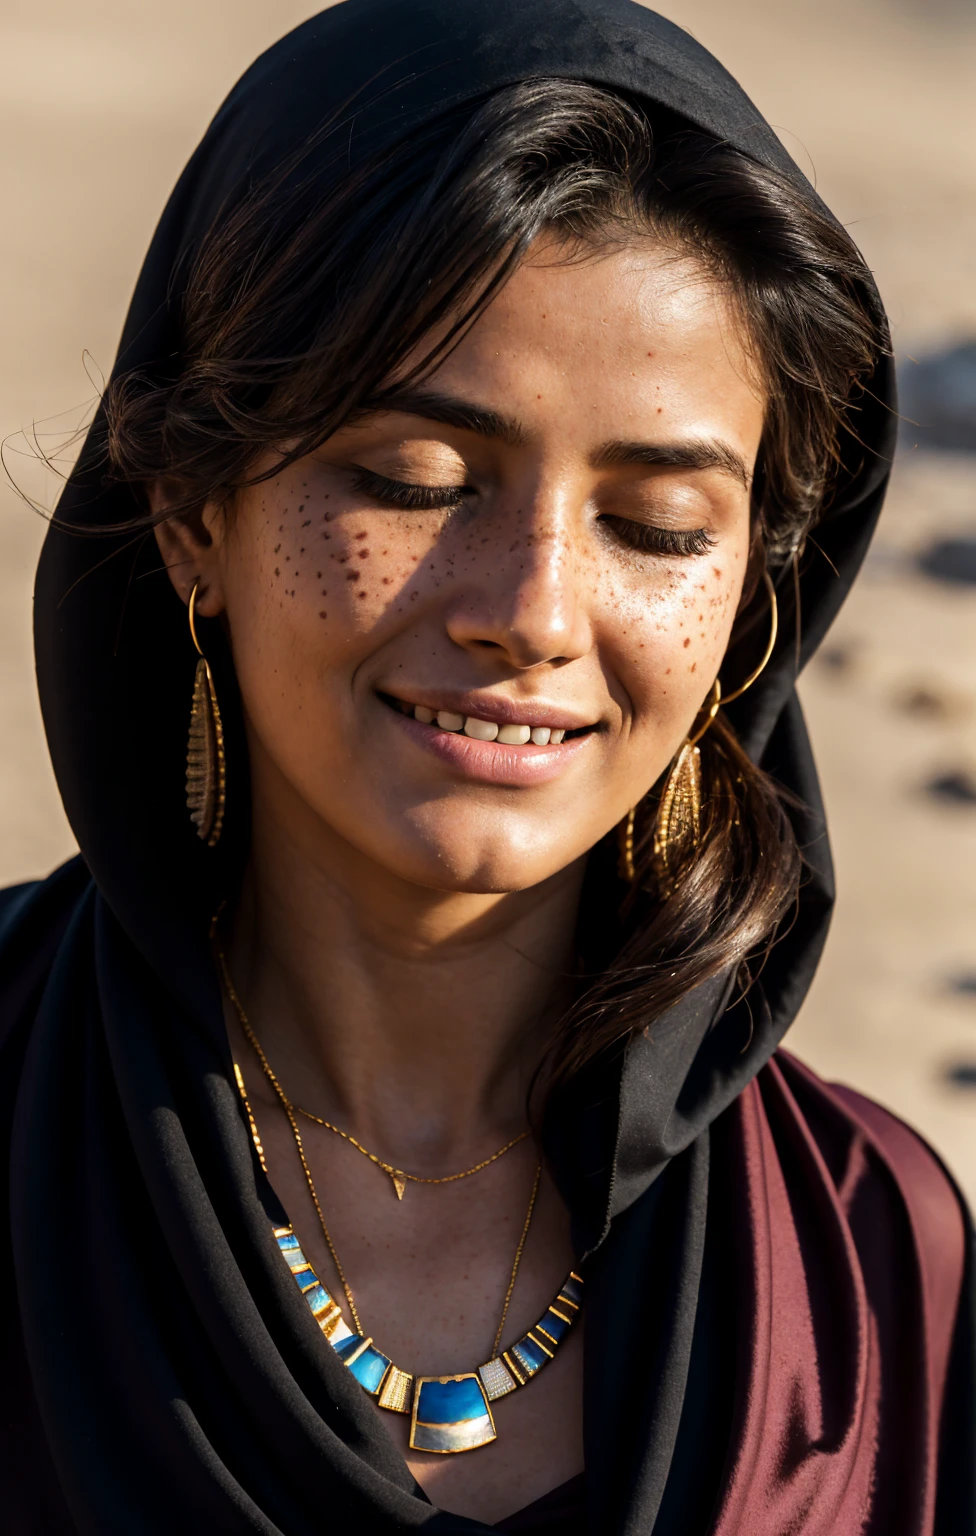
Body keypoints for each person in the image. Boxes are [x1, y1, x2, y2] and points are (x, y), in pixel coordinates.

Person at [1, 1, 972, 1531]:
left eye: (656, 524)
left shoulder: (870, 1273)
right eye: (414, 479)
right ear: (194, 509)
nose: (530, 612)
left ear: (754, 601)